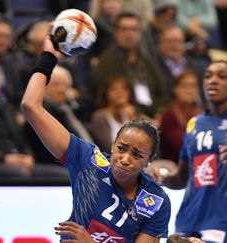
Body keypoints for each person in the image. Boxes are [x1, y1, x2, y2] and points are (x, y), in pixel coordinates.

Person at [21, 34, 171, 242]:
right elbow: (30, 106)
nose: (125, 158)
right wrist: (48, 56)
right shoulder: (88, 160)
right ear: (113, 144)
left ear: (150, 160)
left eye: (137, 155)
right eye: (122, 148)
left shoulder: (155, 201)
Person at [155, 60, 227, 243]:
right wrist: (162, 178)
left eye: (222, 76)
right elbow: (182, 179)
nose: (213, 80)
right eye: (208, 76)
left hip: (224, 222)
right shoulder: (195, 123)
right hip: (186, 221)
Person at [159, 69, 202, 162]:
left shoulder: (202, 114)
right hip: (174, 167)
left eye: (193, 86)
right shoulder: (168, 116)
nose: (189, 90)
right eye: (185, 86)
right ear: (175, 89)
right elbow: (181, 146)